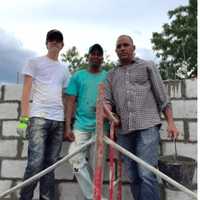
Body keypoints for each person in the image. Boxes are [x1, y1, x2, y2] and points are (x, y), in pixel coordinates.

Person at [104, 35, 179, 200]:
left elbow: (163, 97)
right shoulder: (111, 74)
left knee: (146, 173)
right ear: (116, 51)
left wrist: (171, 123)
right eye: (119, 46)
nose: (122, 48)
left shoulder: (147, 66)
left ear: (133, 47)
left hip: (148, 126)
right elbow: (107, 100)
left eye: (126, 45)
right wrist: (110, 114)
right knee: (132, 175)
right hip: (124, 130)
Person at [17, 29, 71, 200]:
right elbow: (26, 92)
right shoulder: (34, 62)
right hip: (39, 118)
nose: (54, 42)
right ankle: (24, 197)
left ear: (62, 45)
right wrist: (24, 120)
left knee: (50, 167)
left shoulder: (64, 69)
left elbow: (66, 96)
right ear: (46, 43)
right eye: (51, 39)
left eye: (58, 40)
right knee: (35, 164)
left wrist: (70, 123)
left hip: (58, 121)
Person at [64, 44, 108, 200]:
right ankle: (93, 196)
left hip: (101, 127)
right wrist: (67, 126)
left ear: (102, 58)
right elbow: (70, 101)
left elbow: (113, 101)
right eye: (93, 54)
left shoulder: (107, 77)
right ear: (88, 56)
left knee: (97, 166)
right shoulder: (78, 76)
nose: (95, 56)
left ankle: (94, 195)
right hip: (81, 126)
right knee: (73, 159)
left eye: (99, 54)